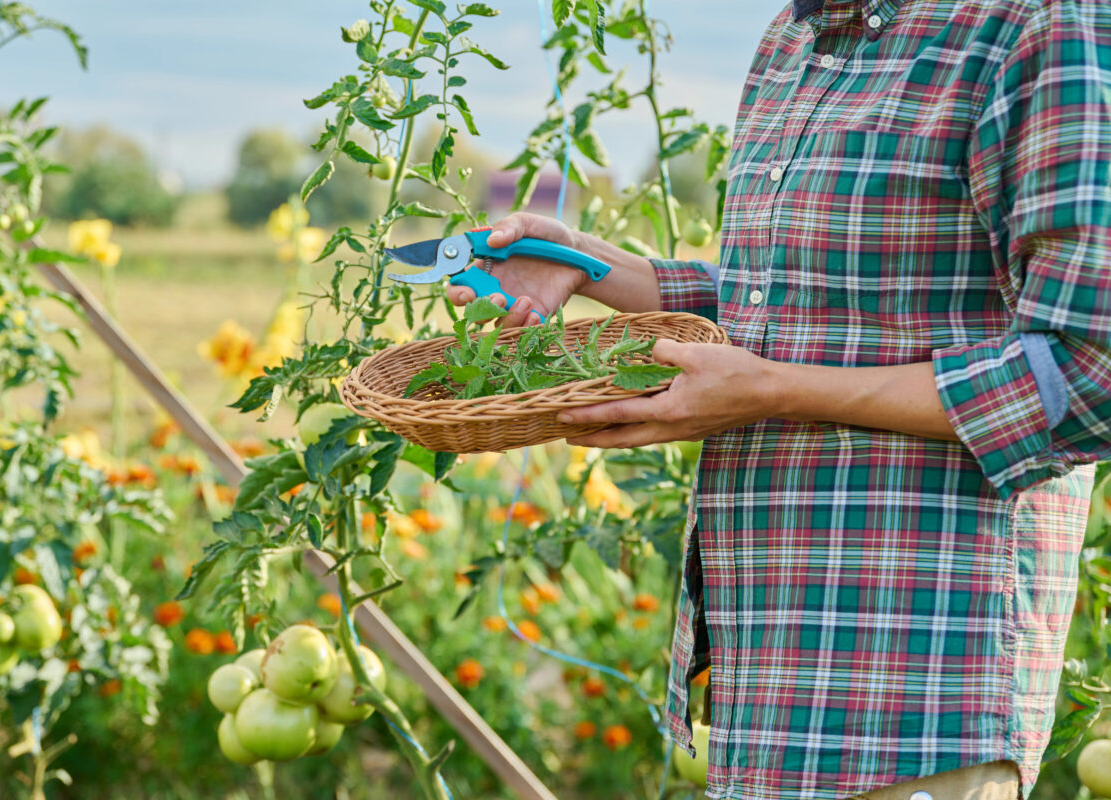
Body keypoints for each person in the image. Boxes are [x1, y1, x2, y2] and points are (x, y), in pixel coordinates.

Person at [446, 0, 1111, 797]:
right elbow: (801, 308)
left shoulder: (1036, 25)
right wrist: (591, 264)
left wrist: (776, 392)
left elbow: (1086, 370)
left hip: (916, 685)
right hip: (769, 672)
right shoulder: (794, 37)